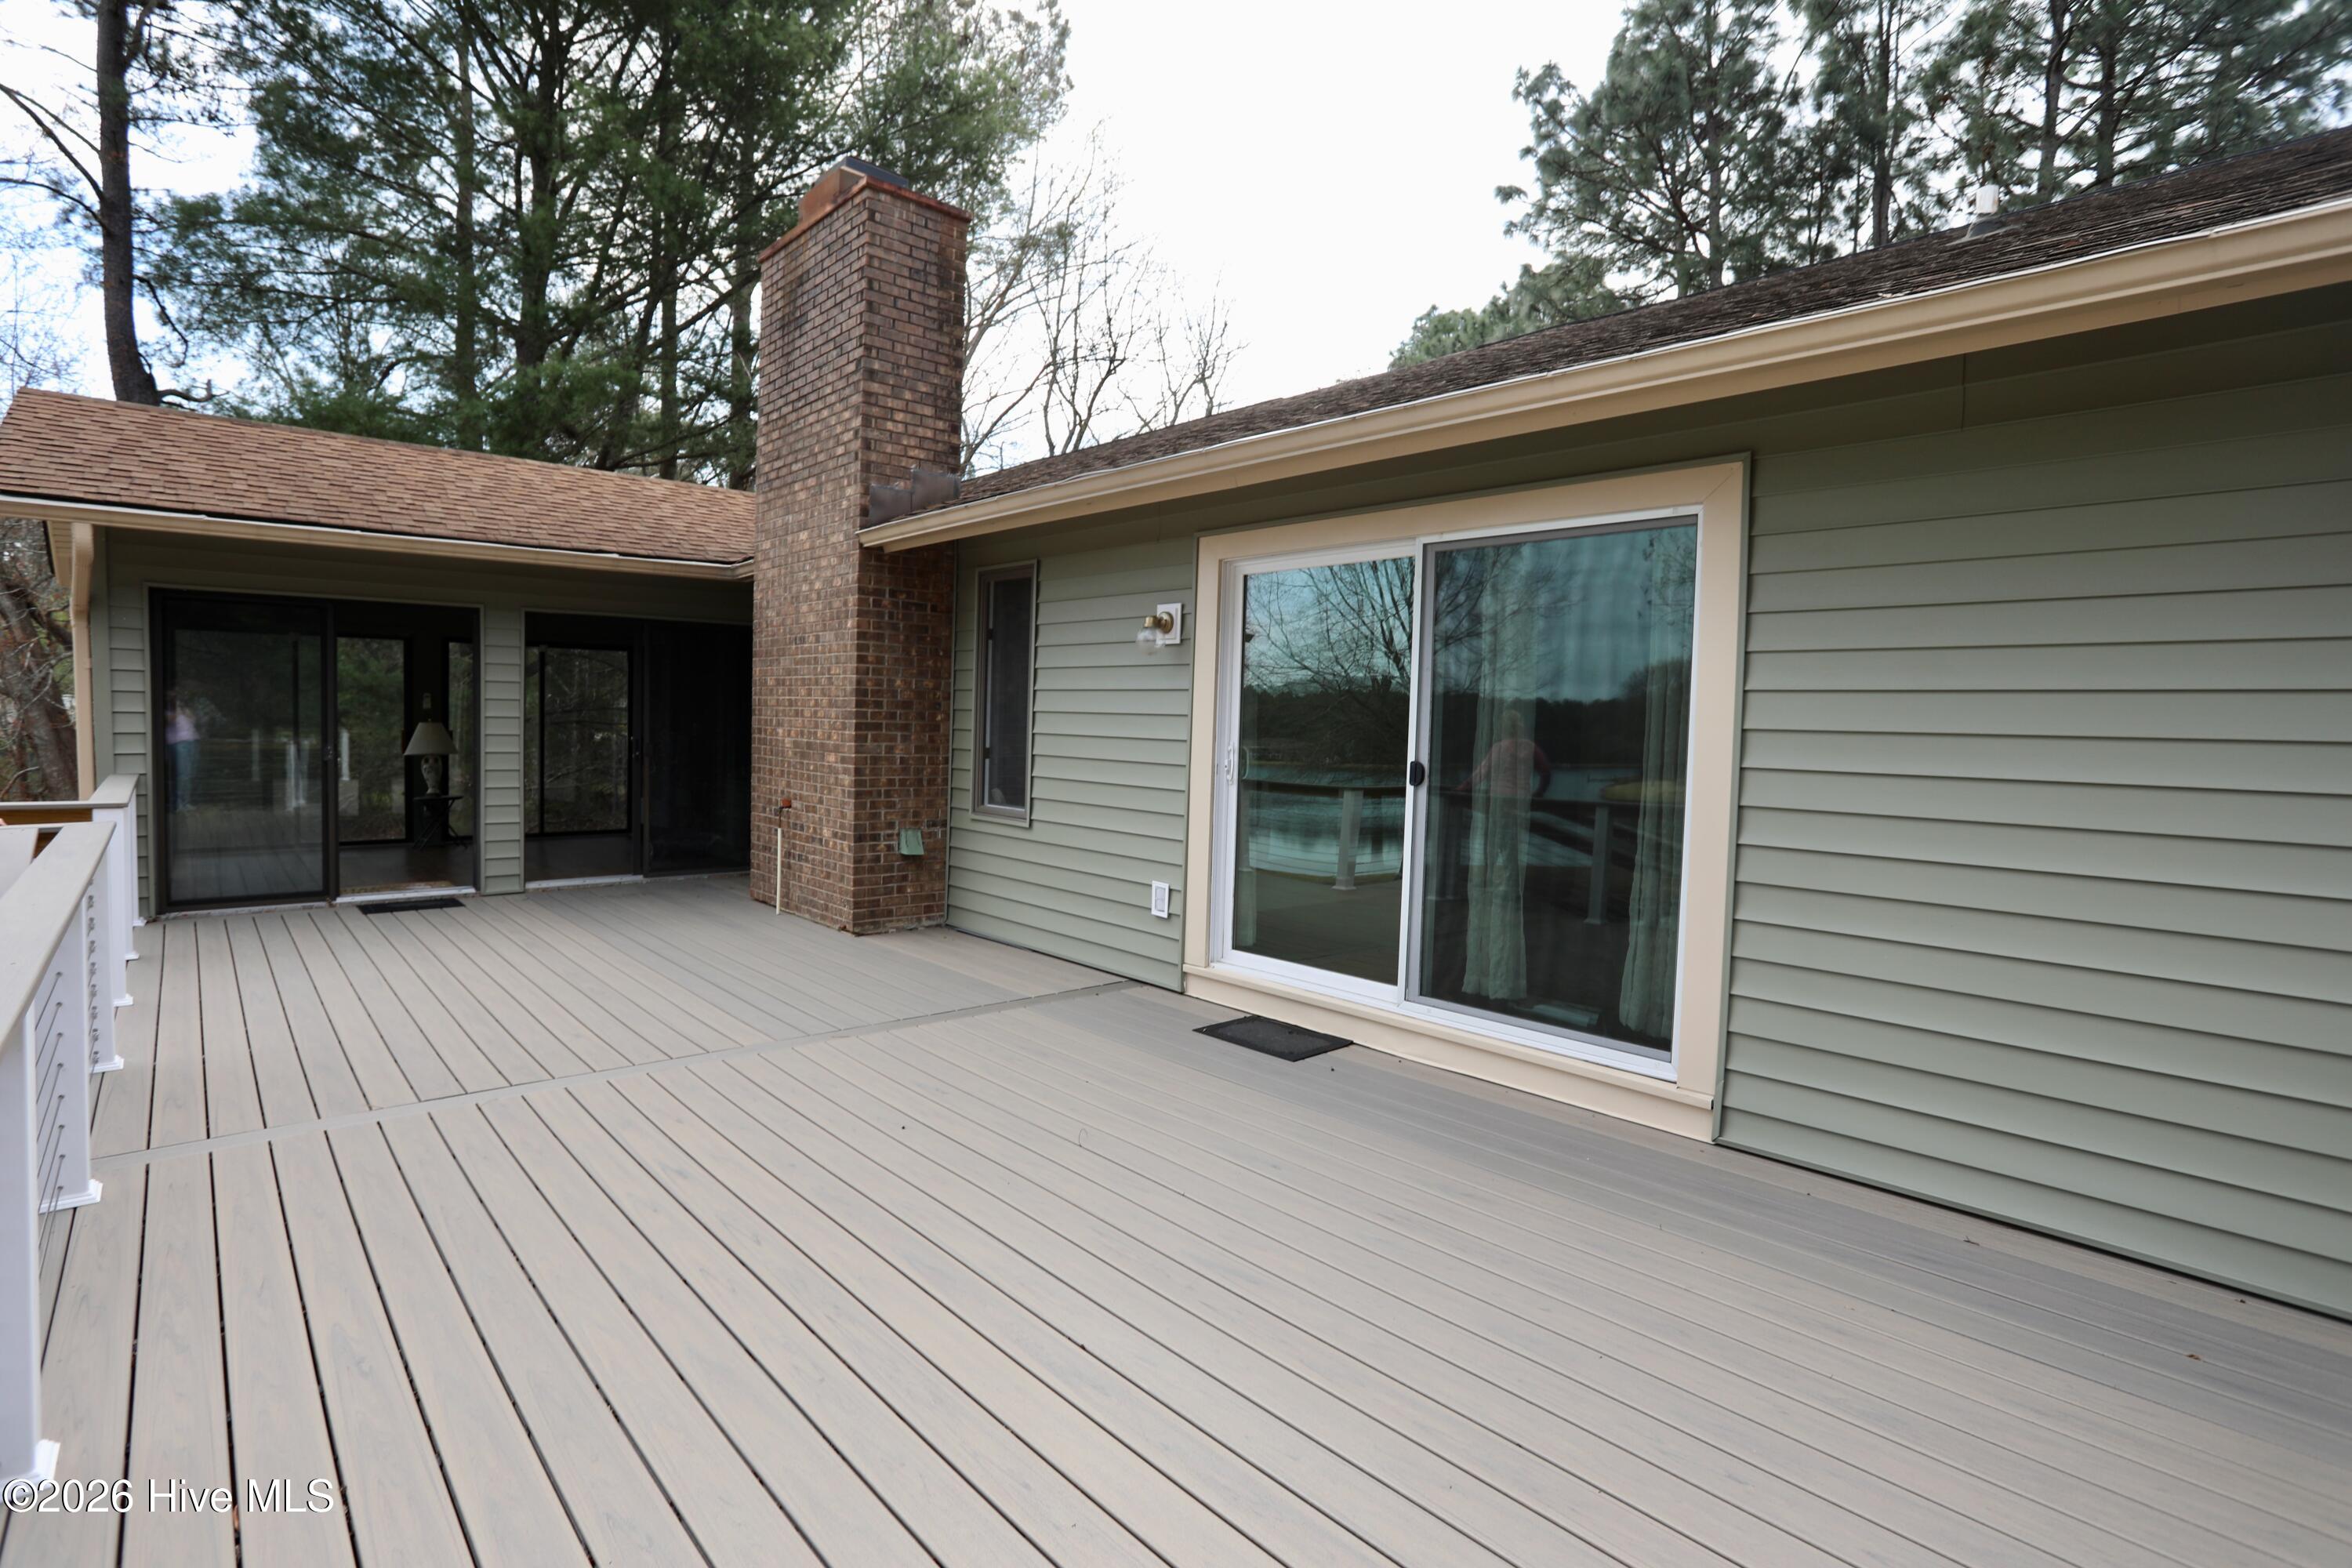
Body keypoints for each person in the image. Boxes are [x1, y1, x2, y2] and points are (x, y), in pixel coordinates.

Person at [165, 699, 199, 811]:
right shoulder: (167, 708)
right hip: (179, 743)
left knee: (189, 774)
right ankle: (178, 803)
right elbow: (168, 720)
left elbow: (194, 721)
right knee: (182, 774)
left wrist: (186, 712)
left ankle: (186, 802)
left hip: (192, 741)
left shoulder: (183, 710)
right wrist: (178, 711)